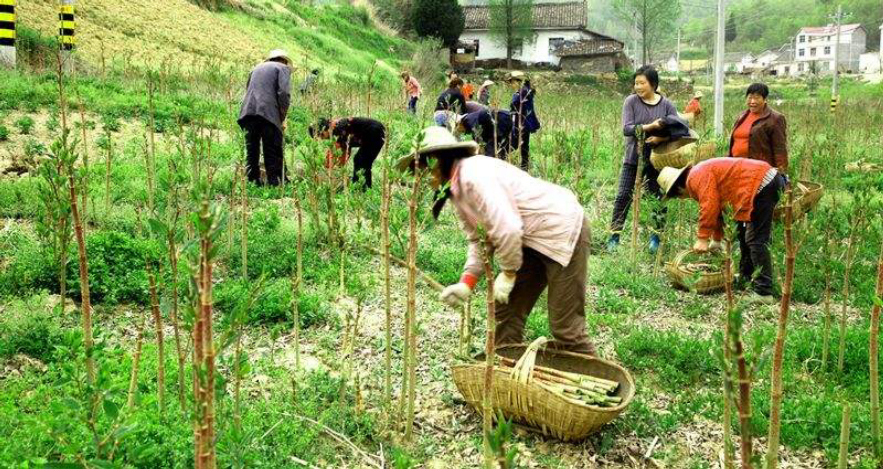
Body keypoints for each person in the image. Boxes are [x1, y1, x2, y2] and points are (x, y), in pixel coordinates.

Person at [397, 127, 595, 354]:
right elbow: (478, 238)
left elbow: (507, 227)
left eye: (421, 169)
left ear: (436, 160)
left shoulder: (474, 175)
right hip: (528, 239)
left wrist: (509, 272)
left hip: (562, 230)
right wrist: (466, 282)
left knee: (565, 327)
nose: (420, 178)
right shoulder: (456, 188)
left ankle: (601, 382)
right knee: (505, 311)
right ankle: (505, 373)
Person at [657, 157, 785, 304]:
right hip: (761, 182)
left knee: (756, 239)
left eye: (679, 197)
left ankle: (764, 292)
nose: (682, 199)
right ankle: (746, 277)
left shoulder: (695, 177)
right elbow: (716, 208)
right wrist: (716, 239)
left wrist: (702, 238)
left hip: (762, 183)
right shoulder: (698, 174)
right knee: (744, 235)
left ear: (678, 190)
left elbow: (709, 205)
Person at [607, 65, 679, 254]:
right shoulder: (631, 101)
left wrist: (661, 138)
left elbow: (679, 129)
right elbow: (627, 129)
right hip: (633, 158)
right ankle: (614, 236)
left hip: (658, 161)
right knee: (623, 196)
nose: (638, 87)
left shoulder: (667, 105)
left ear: (653, 84)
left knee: (657, 199)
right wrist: (651, 126)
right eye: (636, 83)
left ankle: (655, 238)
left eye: (642, 83)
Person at [237, 49, 292, 186]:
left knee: (252, 149)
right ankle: (275, 182)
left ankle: (252, 181)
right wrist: (282, 117)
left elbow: (248, 89)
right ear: (284, 61)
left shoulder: (255, 68)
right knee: (272, 148)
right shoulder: (283, 68)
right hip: (268, 113)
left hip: (247, 112)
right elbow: (284, 93)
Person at [309, 117, 386, 189]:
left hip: (375, 131)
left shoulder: (338, 127)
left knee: (361, 161)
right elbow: (344, 151)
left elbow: (341, 153)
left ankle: (362, 189)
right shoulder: (337, 131)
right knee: (360, 160)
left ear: (326, 127)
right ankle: (361, 187)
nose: (323, 138)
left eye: (322, 135)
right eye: (320, 137)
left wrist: (332, 169)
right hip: (375, 132)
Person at [728, 83, 788, 172]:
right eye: (749, 97)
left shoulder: (775, 118)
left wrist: (781, 171)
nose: (752, 101)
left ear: (765, 99)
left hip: (758, 170)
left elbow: (780, 148)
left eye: (756, 98)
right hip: (737, 167)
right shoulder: (742, 116)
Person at [506, 71, 540, 172]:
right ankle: (524, 165)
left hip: (523, 122)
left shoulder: (523, 92)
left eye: (512, 82)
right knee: (523, 144)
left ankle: (522, 165)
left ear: (518, 81)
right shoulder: (524, 91)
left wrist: (515, 97)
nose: (511, 85)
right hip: (524, 122)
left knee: (517, 143)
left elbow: (514, 104)